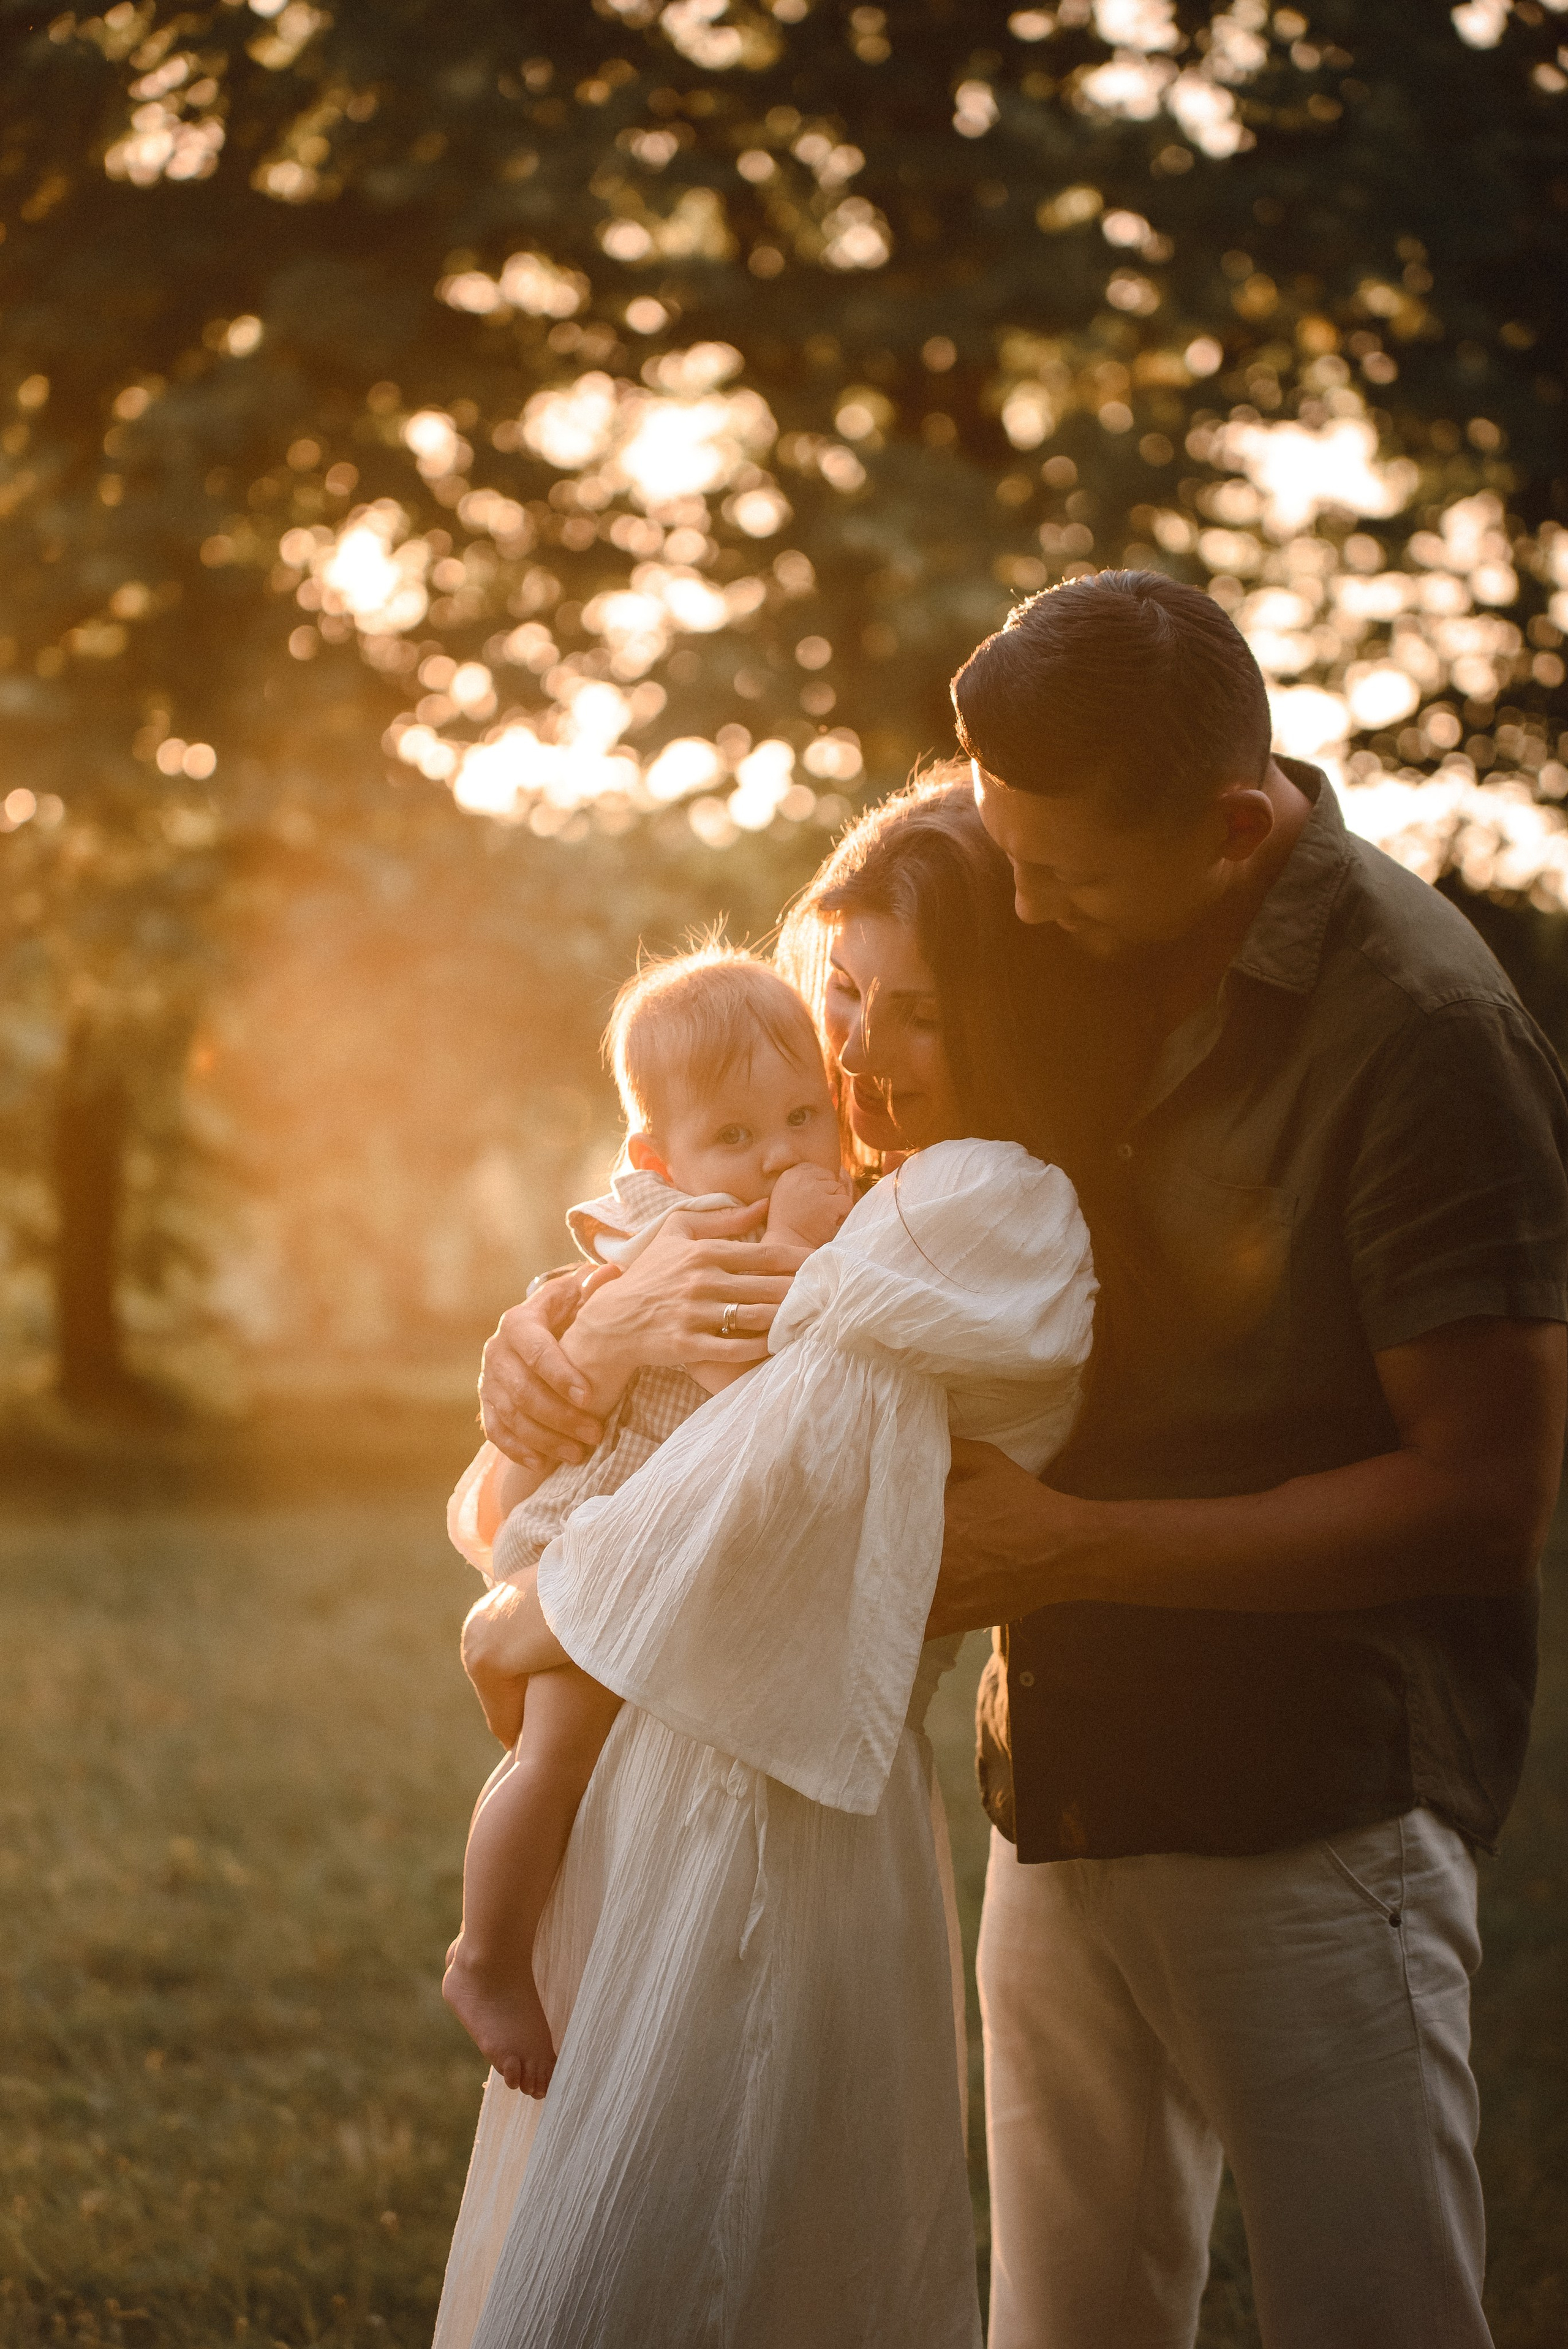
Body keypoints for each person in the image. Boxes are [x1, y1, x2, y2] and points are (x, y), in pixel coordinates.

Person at [930, 570, 1568, 2349]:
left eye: (1066, 875)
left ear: (1232, 826)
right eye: (1008, 856)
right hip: (1063, 1774)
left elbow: (1483, 1494)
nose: (1026, 911)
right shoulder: (1059, 896)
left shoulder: (1427, 1032)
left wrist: (1064, 1547)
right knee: (1064, 2325)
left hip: (1317, 1807)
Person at [438, 777, 1102, 2349]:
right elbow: (485, 1503)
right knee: (612, 2210)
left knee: (722, 2235)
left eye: (913, 1012)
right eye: (846, 997)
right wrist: (571, 1342)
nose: (859, 1051)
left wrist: (533, 1615)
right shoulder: (754, 1219)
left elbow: (762, 1473)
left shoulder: (969, 1212)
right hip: (638, 1784)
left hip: (783, 1784)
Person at [442, 947, 854, 2099]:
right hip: (599, 1533)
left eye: (801, 1114)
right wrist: (799, 1244)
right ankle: (484, 1954)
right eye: (735, 1136)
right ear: (657, 1160)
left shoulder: (775, 1195)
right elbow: (750, 1380)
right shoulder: (699, 1234)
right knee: (559, 1749)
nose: (780, 1152)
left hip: (657, 1540)